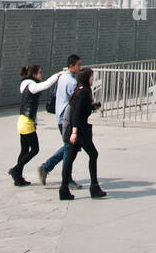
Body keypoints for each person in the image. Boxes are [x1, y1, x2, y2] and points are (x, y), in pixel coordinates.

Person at [9, 64, 63, 187]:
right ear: (34, 74)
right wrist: (57, 75)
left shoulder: (25, 85)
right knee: (35, 149)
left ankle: (18, 178)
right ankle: (15, 170)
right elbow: (44, 85)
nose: (41, 74)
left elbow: (31, 106)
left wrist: (35, 121)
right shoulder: (32, 86)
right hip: (26, 122)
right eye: (40, 72)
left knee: (24, 150)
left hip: (23, 120)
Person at [37, 54, 84, 188]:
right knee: (69, 149)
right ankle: (62, 176)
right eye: (78, 65)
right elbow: (75, 101)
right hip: (67, 119)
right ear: (71, 66)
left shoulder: (62, 77)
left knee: (69, 147)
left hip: (60, 117)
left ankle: (47, 168)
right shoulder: (71, 82)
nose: (80, 67)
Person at [60, 67, 106, 200]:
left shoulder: (80, 90)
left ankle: (64, 189)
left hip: (77, 129)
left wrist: (92, 106)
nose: (93, 79)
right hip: (79, 131)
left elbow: (79, 108)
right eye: (91, 76)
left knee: (69, 159)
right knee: (92, 154)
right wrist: (74, 132)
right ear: (87, 77)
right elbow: (76, 114)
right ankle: (94, 187)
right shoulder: (84, 91)